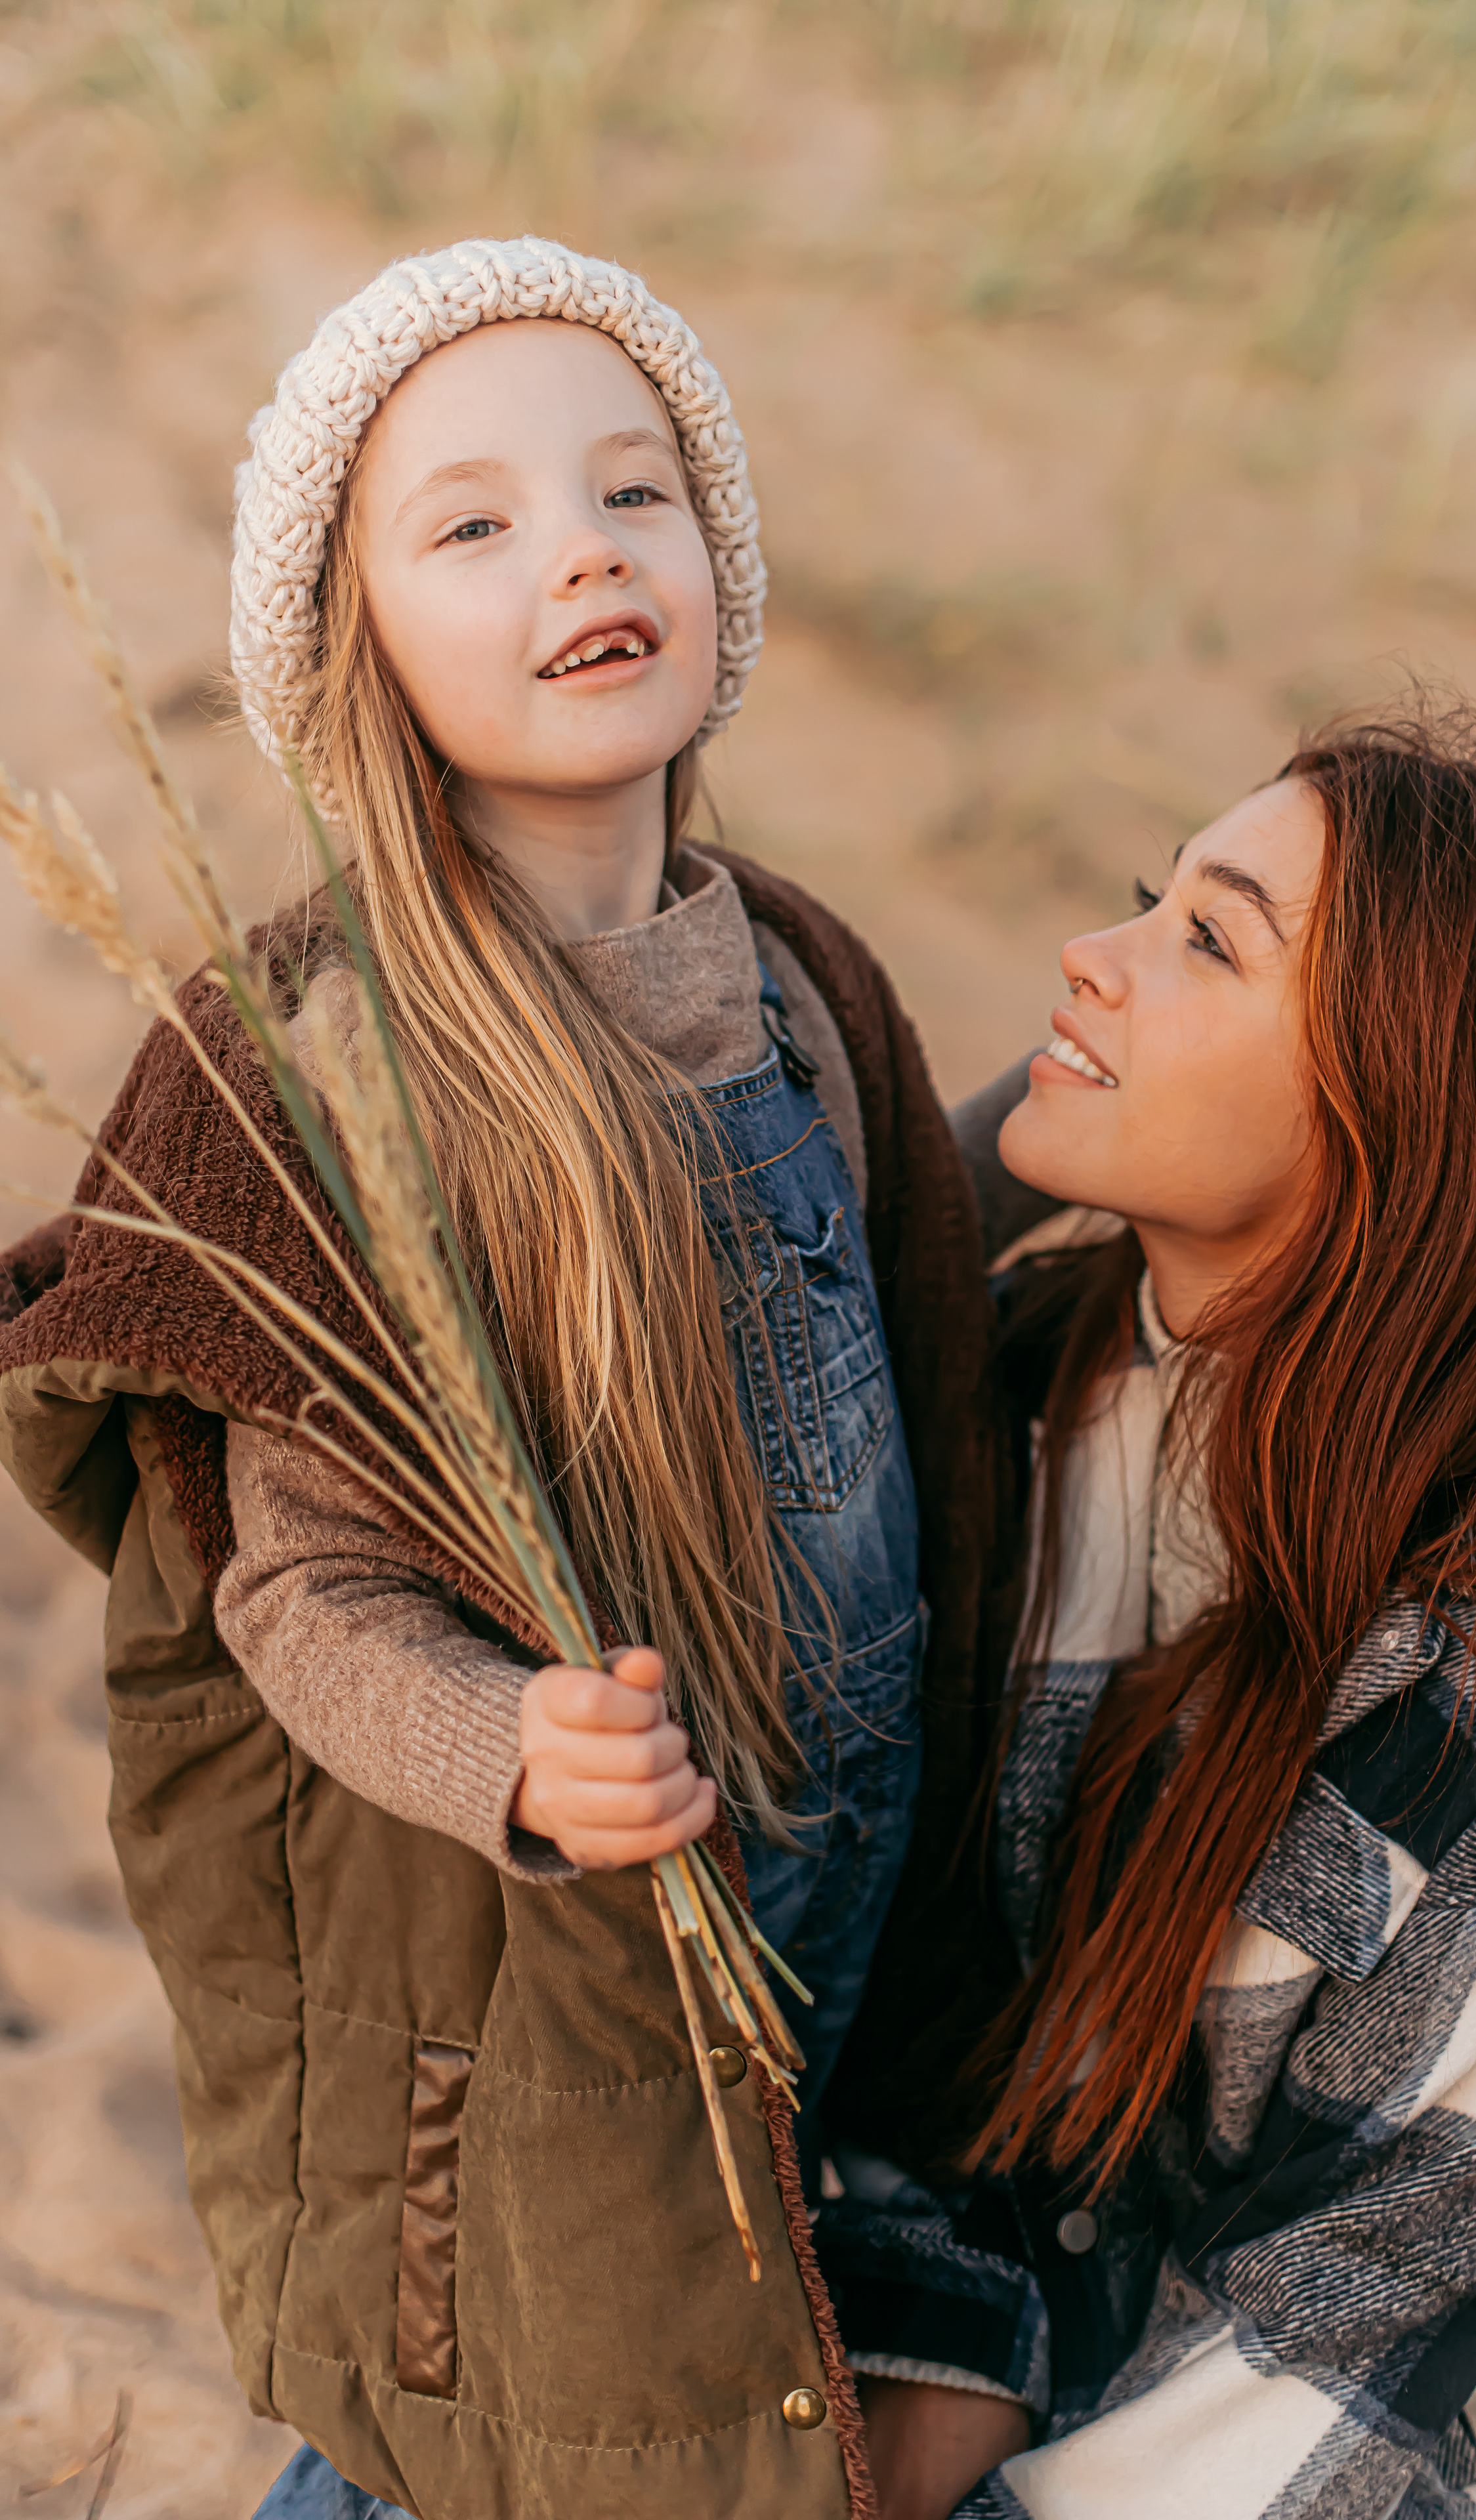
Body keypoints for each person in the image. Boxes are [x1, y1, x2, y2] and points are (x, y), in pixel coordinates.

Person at [0, 238, 1044, 2520]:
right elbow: (301, 1590)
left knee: (733, 2366)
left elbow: (882, 1314)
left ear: (715, 569)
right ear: (355, 648)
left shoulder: (796, 982)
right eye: (472, 524)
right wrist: (513, 1749)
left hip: (825, 1882)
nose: (581, 549)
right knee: (507, 2429)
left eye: (634, 491)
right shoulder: (351, 1063)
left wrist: (1044, 1160)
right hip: (568, 1936)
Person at [817, 707, 1476, 2519]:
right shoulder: (1038, 1399)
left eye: (1207, 940)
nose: (1089, 955)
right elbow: (984, 2092)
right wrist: (944, 2359)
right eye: (1154, 897)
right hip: (1073, 2348)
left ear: (1403, 1123)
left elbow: (1352, 2361)